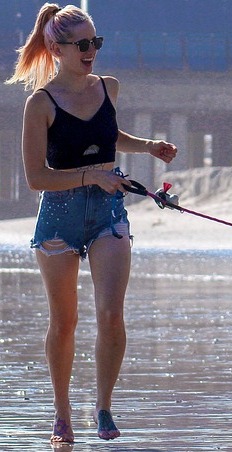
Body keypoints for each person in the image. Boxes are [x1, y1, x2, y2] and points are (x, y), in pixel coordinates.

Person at [5, 3, 177, 444]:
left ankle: (103, 407)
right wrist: (90, 175)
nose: (91, 51)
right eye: (82, 44)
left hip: (108, 213)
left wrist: (148, 147)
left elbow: (108, 133)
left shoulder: (109, 87)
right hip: (58, 216)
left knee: (110, 314)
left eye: (95, 42)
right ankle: (62, 413)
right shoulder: (39, 104)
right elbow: (34, 177)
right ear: (55, 48)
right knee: (64, 323)